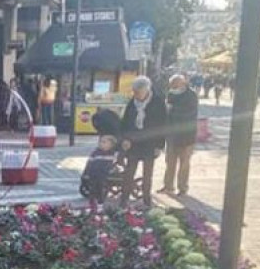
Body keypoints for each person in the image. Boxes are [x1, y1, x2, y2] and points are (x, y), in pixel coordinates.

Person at [119, 76, 167, 207]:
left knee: (147, 174)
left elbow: (163, 125)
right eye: (134, 92)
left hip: (150, 142)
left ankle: (146, 200)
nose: (136, 95)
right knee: (129, 172)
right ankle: (124, 199)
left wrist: (159, 145)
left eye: (138, 92)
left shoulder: (158, 102)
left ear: (146, 90)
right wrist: (125, 139)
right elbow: (126, 122)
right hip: (134, 142)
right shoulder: (132, 103)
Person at [160, 74, 199, 196]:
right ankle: (168, 186)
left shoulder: (191, 95)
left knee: (184, 163)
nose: (172, 88)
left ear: (182, 83)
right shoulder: (171, 94)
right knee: (170, 162)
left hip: (186, 135)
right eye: (171, 86)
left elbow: (189, 114)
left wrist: (172, 109)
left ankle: (182, 187)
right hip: (172, 135)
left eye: (175, 85)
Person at [82, 134, 118, 206]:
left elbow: (114, 164)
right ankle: (92, 203)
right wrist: (86, 173)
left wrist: (112, 169)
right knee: (93, 189)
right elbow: (89, 163)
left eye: (104, 142)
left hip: (104, 174)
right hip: (93, 174)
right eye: (101, 142)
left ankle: (100, 202)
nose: (101, 144)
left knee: (101, 188)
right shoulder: (96, 153)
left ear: (111, 145)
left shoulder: (112, 153)